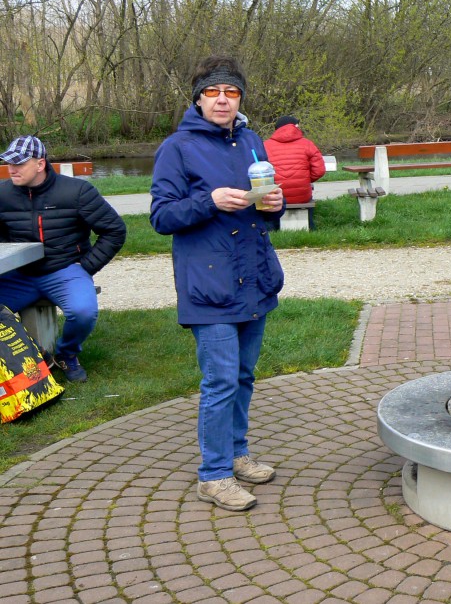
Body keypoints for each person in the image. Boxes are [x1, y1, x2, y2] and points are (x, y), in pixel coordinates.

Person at [150, 55, 285, 512]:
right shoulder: (178, 147)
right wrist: (207, 201)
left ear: (240, 99)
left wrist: (274, 205)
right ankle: (214, 474)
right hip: (209, 283)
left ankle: (237, 453)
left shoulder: (251, 140)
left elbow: (268, 209)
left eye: (231, 92)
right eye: (213, 92)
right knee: (220, 380)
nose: (223, 100)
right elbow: (161, 216)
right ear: (199, 99)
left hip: (254, 277)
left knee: (244, 376)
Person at [0, 135, 126, 383]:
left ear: (40, 164)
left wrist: (87, 265)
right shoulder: (2, 194)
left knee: (83, 311)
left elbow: (115, 230)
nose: (12, 169)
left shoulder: (77, 192)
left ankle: (66, 354)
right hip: (18, 275)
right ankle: (34, 354)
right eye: (8, 163)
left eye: (19, 163)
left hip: (64, 270)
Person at [263, 115, 326, 205]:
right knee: (308, 212)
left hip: (276, 197)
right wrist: (304, 179)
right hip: (302, 196)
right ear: (295, 126)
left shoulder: (265, 145)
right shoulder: (307, 144)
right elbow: (319, 170)